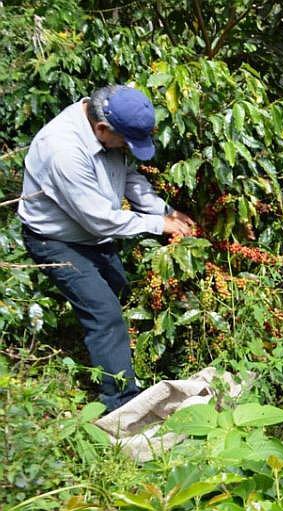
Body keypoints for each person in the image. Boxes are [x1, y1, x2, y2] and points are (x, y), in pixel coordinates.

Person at [18, 85, 195, 411]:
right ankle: (123, 405)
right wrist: (159, 225)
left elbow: (129, 177)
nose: (126, 148)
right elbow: (100, 220)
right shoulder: (64, 150)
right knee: (105, 314)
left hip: (92, 236)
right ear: (102, 129)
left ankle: (113, 357)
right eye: (126, 142)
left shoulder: (107, 131)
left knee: (121, 292)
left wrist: (165, 211)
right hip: (57, 242)